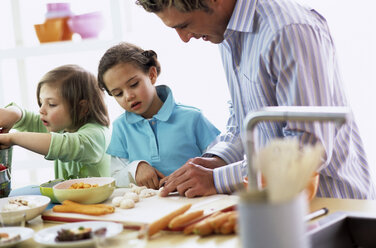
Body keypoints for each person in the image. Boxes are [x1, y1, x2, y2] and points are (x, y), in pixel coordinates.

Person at [135, 0, 376, 199]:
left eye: (184, 25)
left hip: (333, 208)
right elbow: (245, 119)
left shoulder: (289, 30)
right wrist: (216, 160)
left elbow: (308, 148)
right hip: (277, 209)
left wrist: (217, 179)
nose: (184, 38)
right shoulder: (226, 34)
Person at [97, 42, 220, 189]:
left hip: (194, 202)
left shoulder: (193, 118)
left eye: (134, 84)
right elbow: (115, 177)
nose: (128, 96)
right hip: (148, 208)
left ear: (152, 75)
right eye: (118, 93)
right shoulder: (120, 127)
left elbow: (220, 161)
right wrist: (136, 168)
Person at [0, 64, 111, 179]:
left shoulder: (96, 135)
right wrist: (16, 113)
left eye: (51, 104)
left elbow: (65, 145)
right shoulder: (63, 126)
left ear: (82, 108)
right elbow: (29, 120)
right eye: (41, 102)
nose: (41, 110)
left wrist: (12, 138)